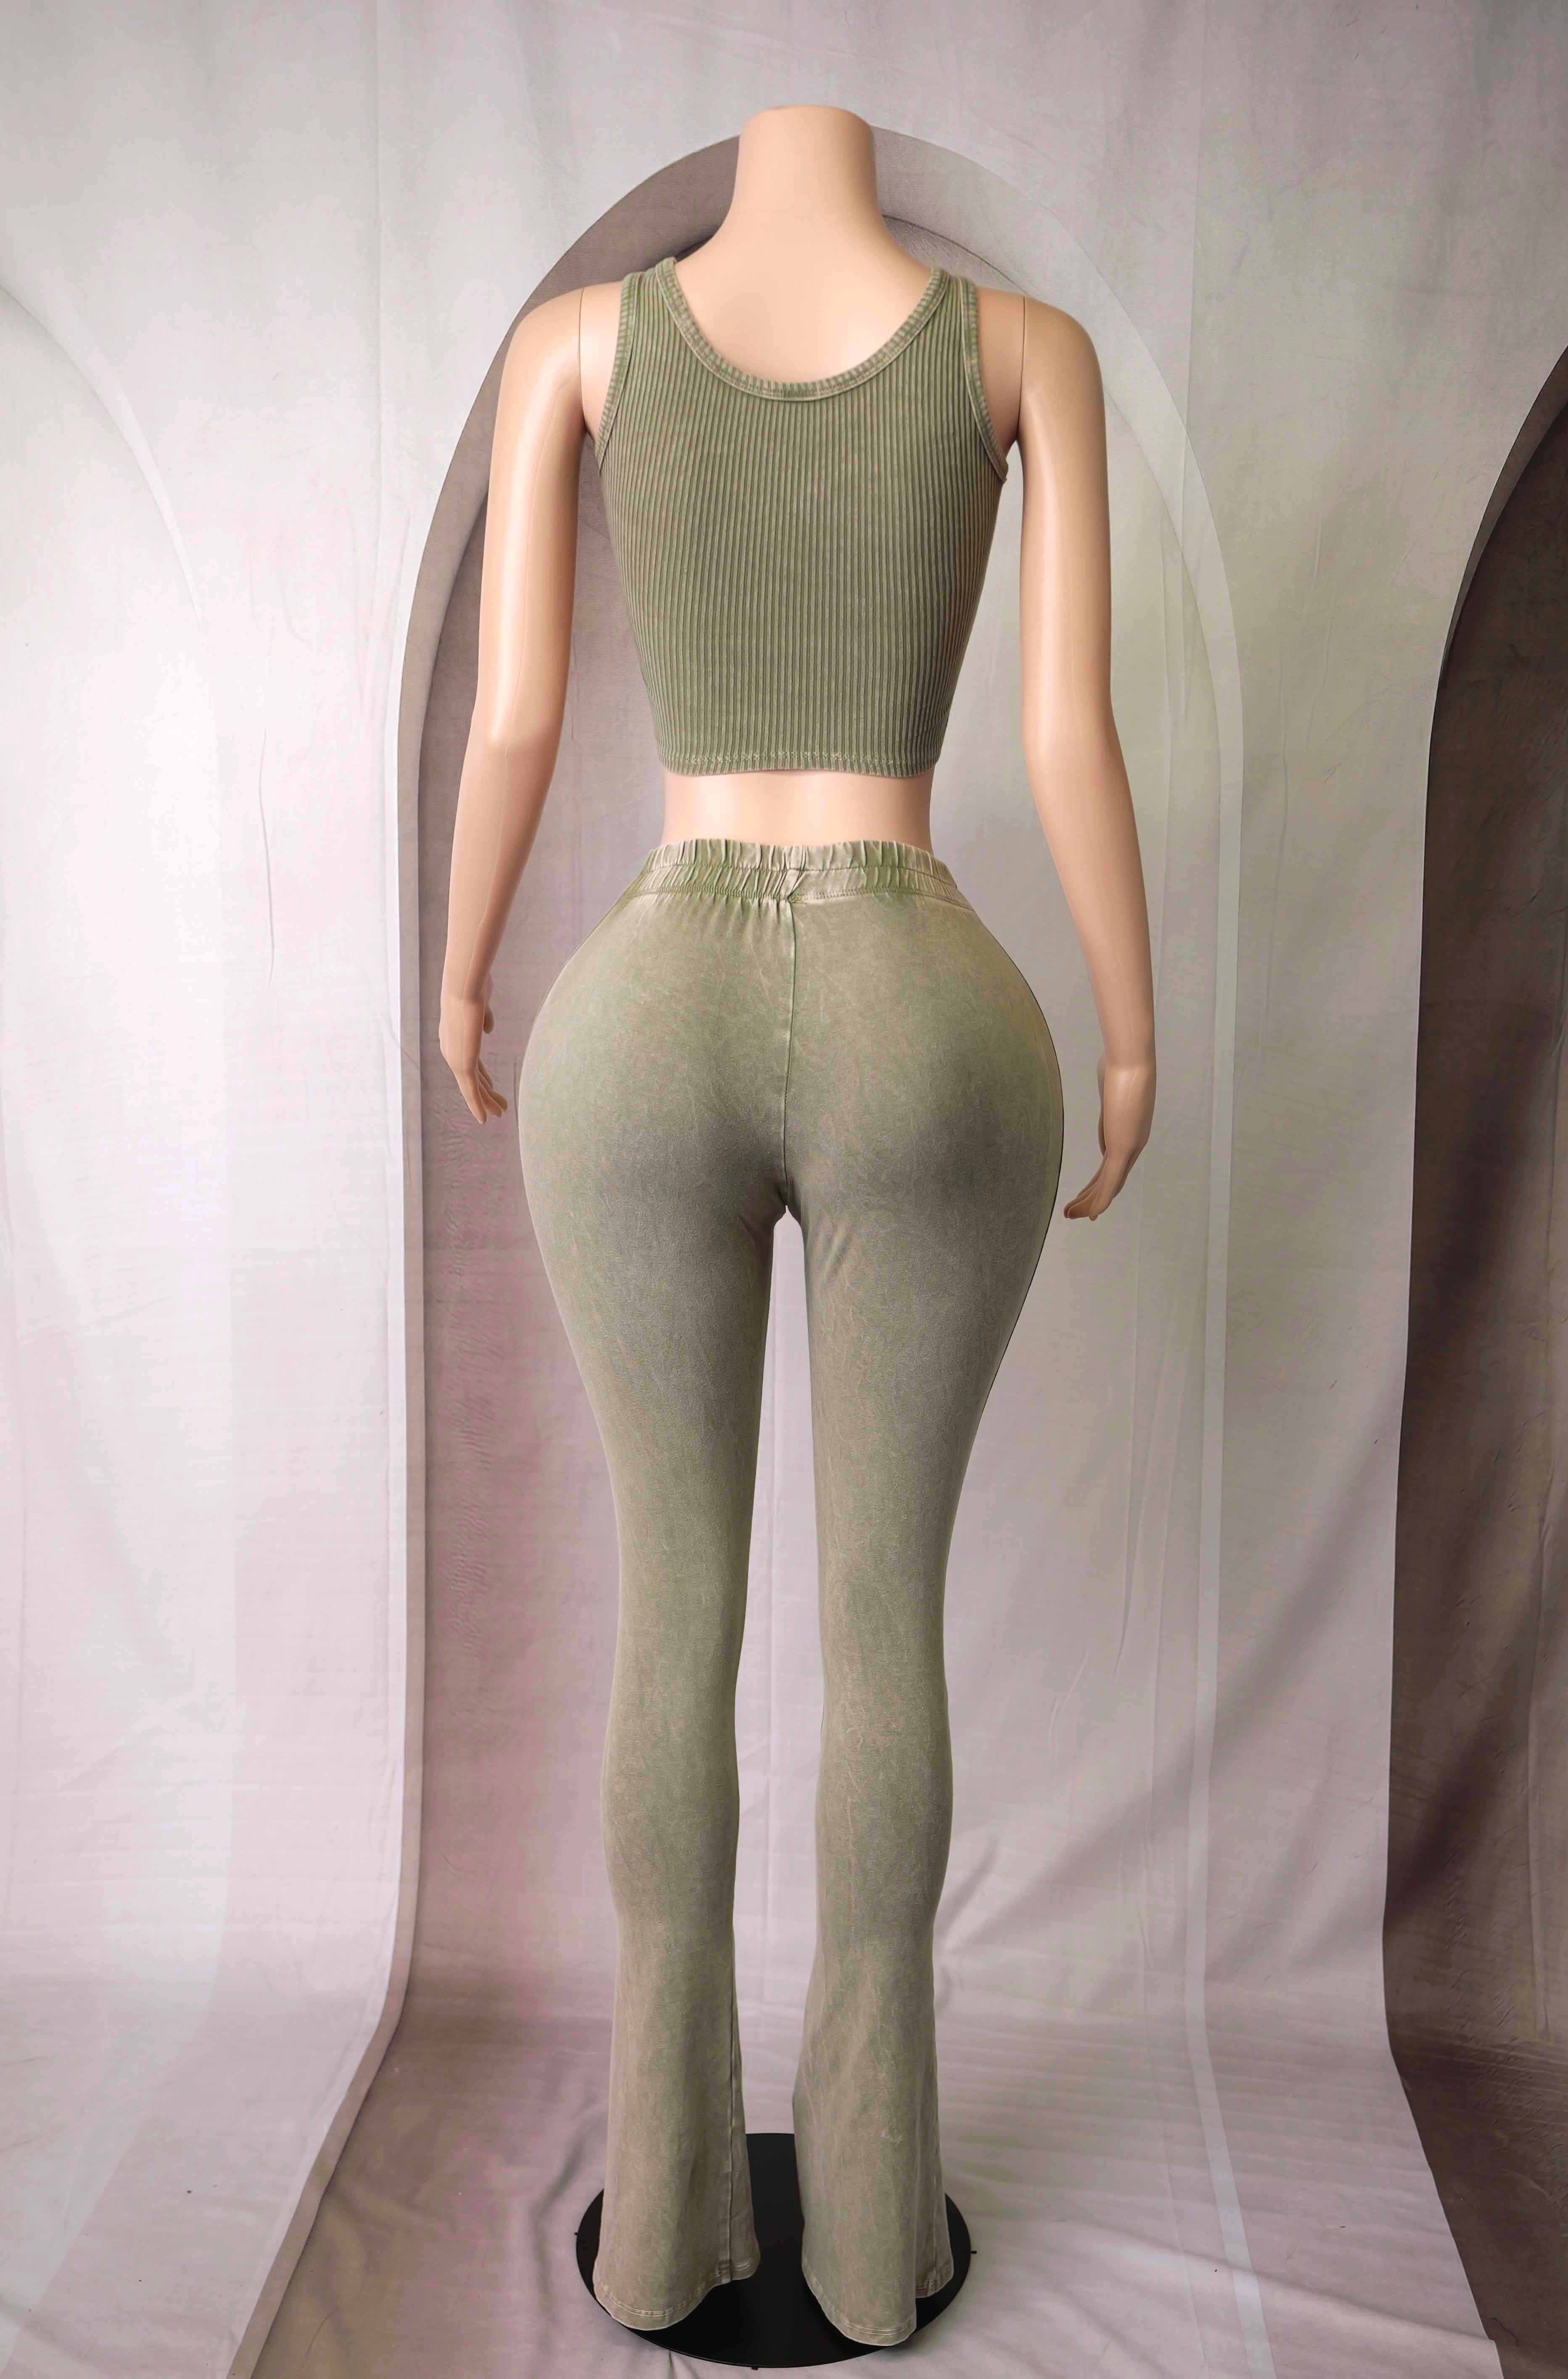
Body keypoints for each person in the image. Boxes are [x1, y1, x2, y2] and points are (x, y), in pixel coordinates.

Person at [438, 102, 1154, 2351]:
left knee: (672, 1611)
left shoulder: (576, 346)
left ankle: (664, 2223)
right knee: (882, 1626)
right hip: (920, 995)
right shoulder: (1024, 350)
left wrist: (462, 971)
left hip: (642, 1007)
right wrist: (1133, 1032)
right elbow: (1069, 730)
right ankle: (863, 2235)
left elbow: (517, 716)